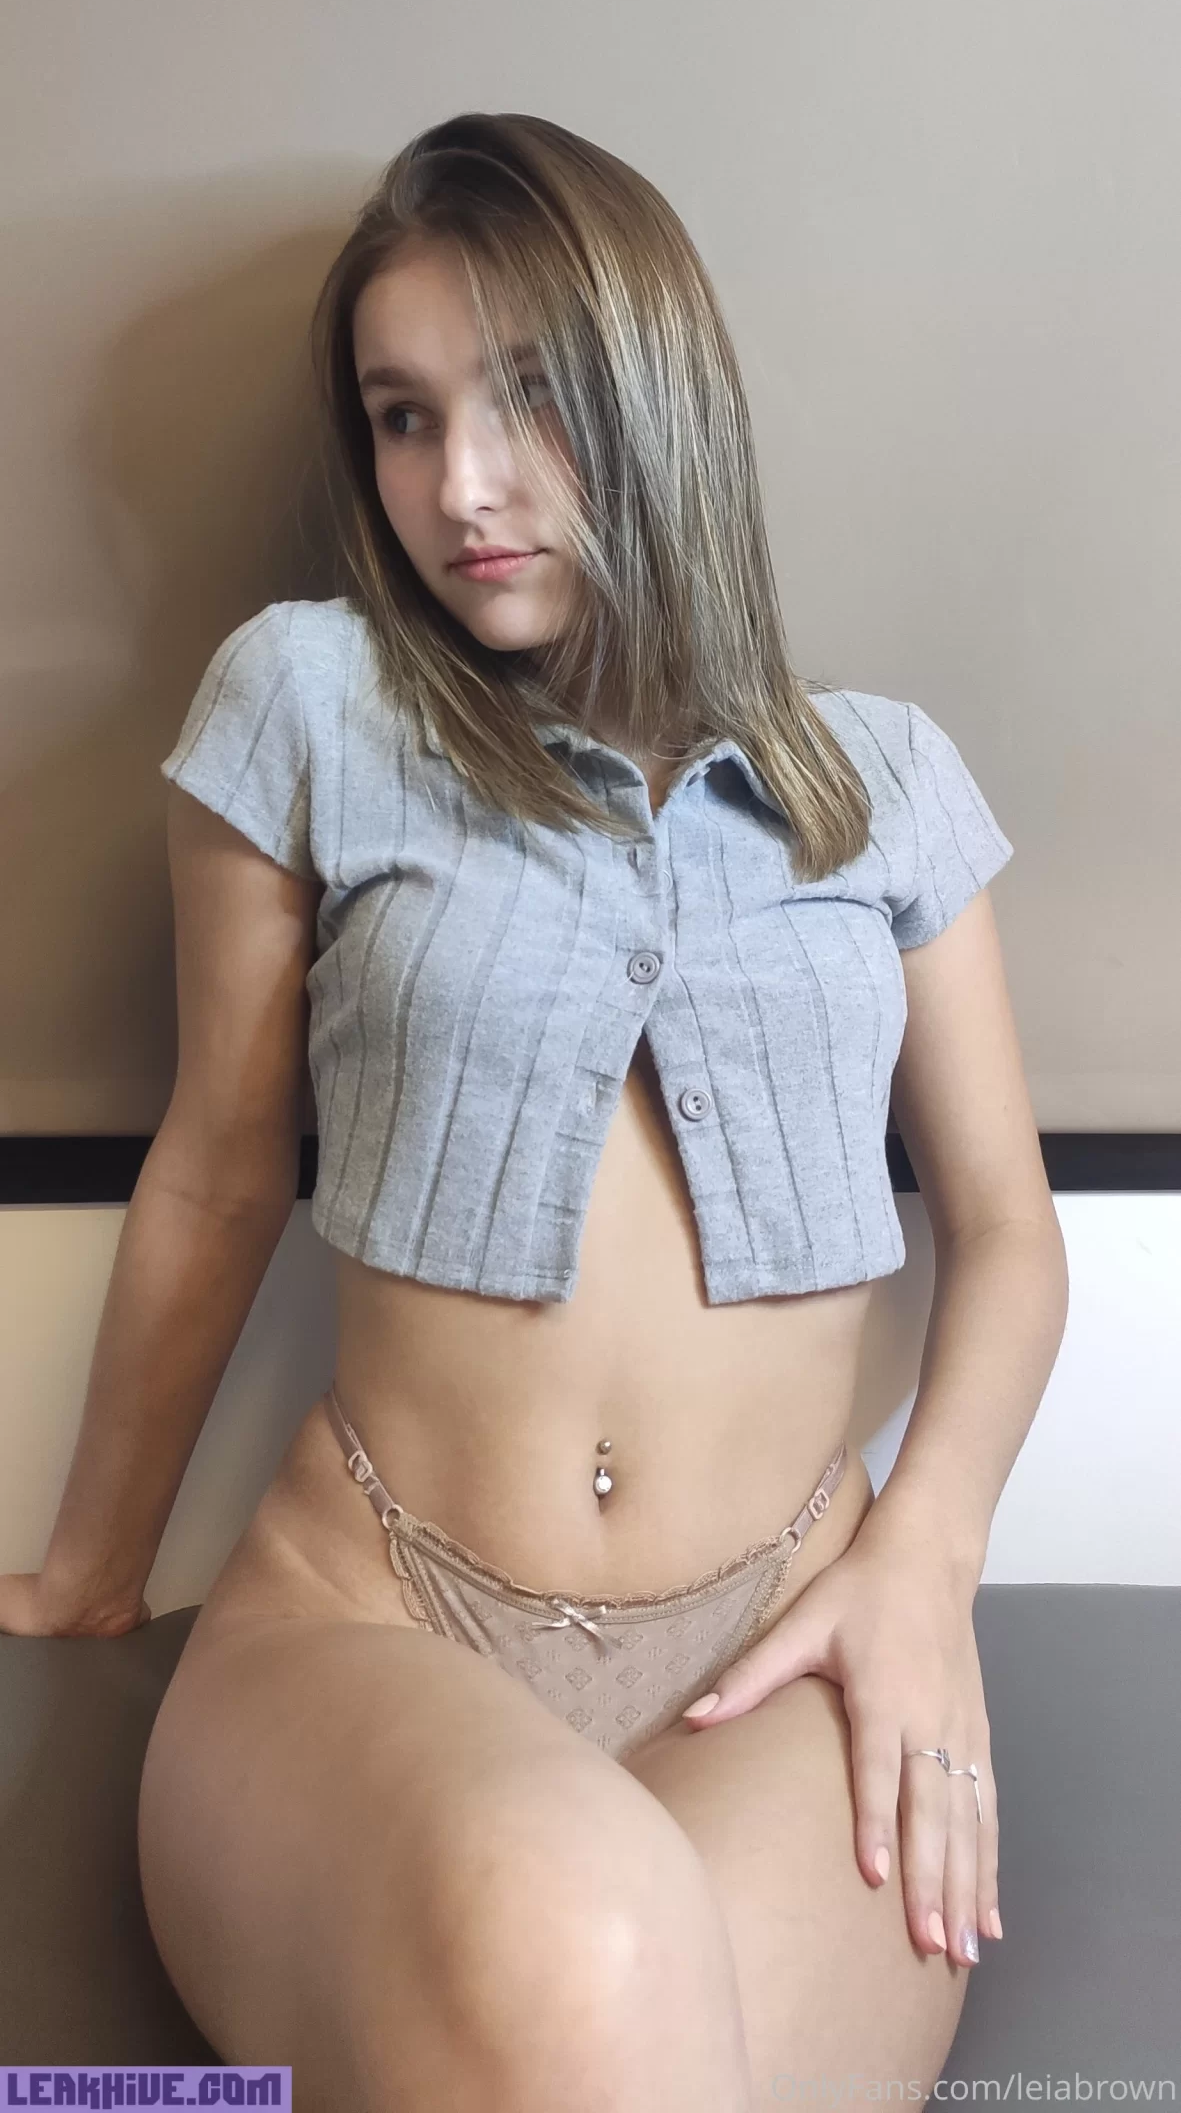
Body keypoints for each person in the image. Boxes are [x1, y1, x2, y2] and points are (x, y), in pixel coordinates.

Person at [1, 113, 1068, 2110]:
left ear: (660, 396)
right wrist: (86, 1568)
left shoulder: (887, 783)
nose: (458, 487)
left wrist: (923, 1564)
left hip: (790, 1633)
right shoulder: (307, 703)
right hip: (370, 1618)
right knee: (579, 1952)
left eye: (525, 398)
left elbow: (1007, 1233)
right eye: (401, 418)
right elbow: (218, 1170)